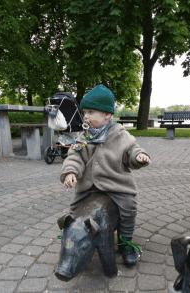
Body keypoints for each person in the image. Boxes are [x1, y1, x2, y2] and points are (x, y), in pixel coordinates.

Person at [59, 84, 151, 266]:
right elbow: (75, 155)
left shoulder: (120, 135)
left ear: (107, 115)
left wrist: (138, 157)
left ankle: (125, 244)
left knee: (128, 208)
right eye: (85, 112)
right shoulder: (84, 137)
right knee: (74, 212)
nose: (86, 116)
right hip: (87, 187)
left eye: (91, 112)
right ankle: (73, 242)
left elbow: (132, 151)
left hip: (117, 185)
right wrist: (70, 171)